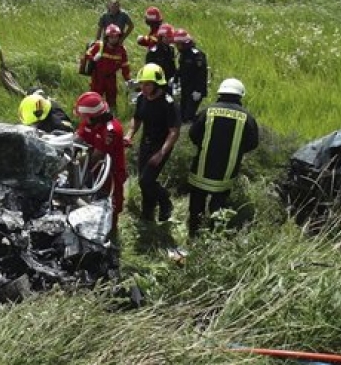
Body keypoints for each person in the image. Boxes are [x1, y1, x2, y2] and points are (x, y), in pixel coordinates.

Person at [187, 78, 259, 238]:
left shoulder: (207, 111)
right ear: (240, 96)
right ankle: (214, 235)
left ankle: (193, 235)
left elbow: (193, 134)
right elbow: (253, 143)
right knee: (218, 207)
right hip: (226, 173)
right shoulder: (247, 118)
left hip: (200, 170)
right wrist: (237, 151)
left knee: (196, 205)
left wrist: (203, 146)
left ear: (220, 93)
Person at [124, 63, 181, 222]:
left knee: (146, 180)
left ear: (157, 84)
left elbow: (174, 132)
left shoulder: (168, 104)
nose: (143, 87)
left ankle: (165, 201)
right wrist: (129, 134)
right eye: (141, 83)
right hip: (146, 143)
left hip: (161, 146)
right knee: (144, 182)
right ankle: (147, 213)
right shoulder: (142, 98)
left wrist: (161, 153)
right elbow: (137, 118)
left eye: (147, 84)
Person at [74, 91, 127, 232]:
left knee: (112, 203)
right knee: (95, 200)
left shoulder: (110, 130)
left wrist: (77, 169)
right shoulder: (90, 123)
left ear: (93, 116)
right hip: (95, 171)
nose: (83, 119)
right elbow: (78, 137)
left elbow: (98, 155)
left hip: (112, 173)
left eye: (85, 117)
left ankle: (111, 232)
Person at [85, 24, 132, 111]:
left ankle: (112, 116)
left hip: (111, 78)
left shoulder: (121, 50)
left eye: (116, 37)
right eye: (111, 37)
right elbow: (87, 54)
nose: (114, 39)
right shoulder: (99, 46)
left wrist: (128, 80)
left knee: (112, 99)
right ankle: (93, 115)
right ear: (107, 37)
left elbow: (125, 66)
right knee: (95, 98)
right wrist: (93, 58)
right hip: (98, 77)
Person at [173, 28, 208, 123]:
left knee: (189, 115)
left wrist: (199, 90)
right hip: (185, 88)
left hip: (195, 90)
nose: (177, 46)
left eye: (178, 44)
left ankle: (201, 122)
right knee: (182, 114)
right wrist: (175, 80)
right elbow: (181, 69)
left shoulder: (197, 55)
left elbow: (202, 74)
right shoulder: (183, 54)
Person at [137, 23, 177, 95]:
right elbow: (149, 72)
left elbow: (172, 66)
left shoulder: (171, 49)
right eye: (167, 37)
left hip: (168, 83)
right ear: (161, 37)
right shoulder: (153, 53)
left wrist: (175, 78)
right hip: (157, 85)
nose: (169, 39)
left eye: (170, 37)